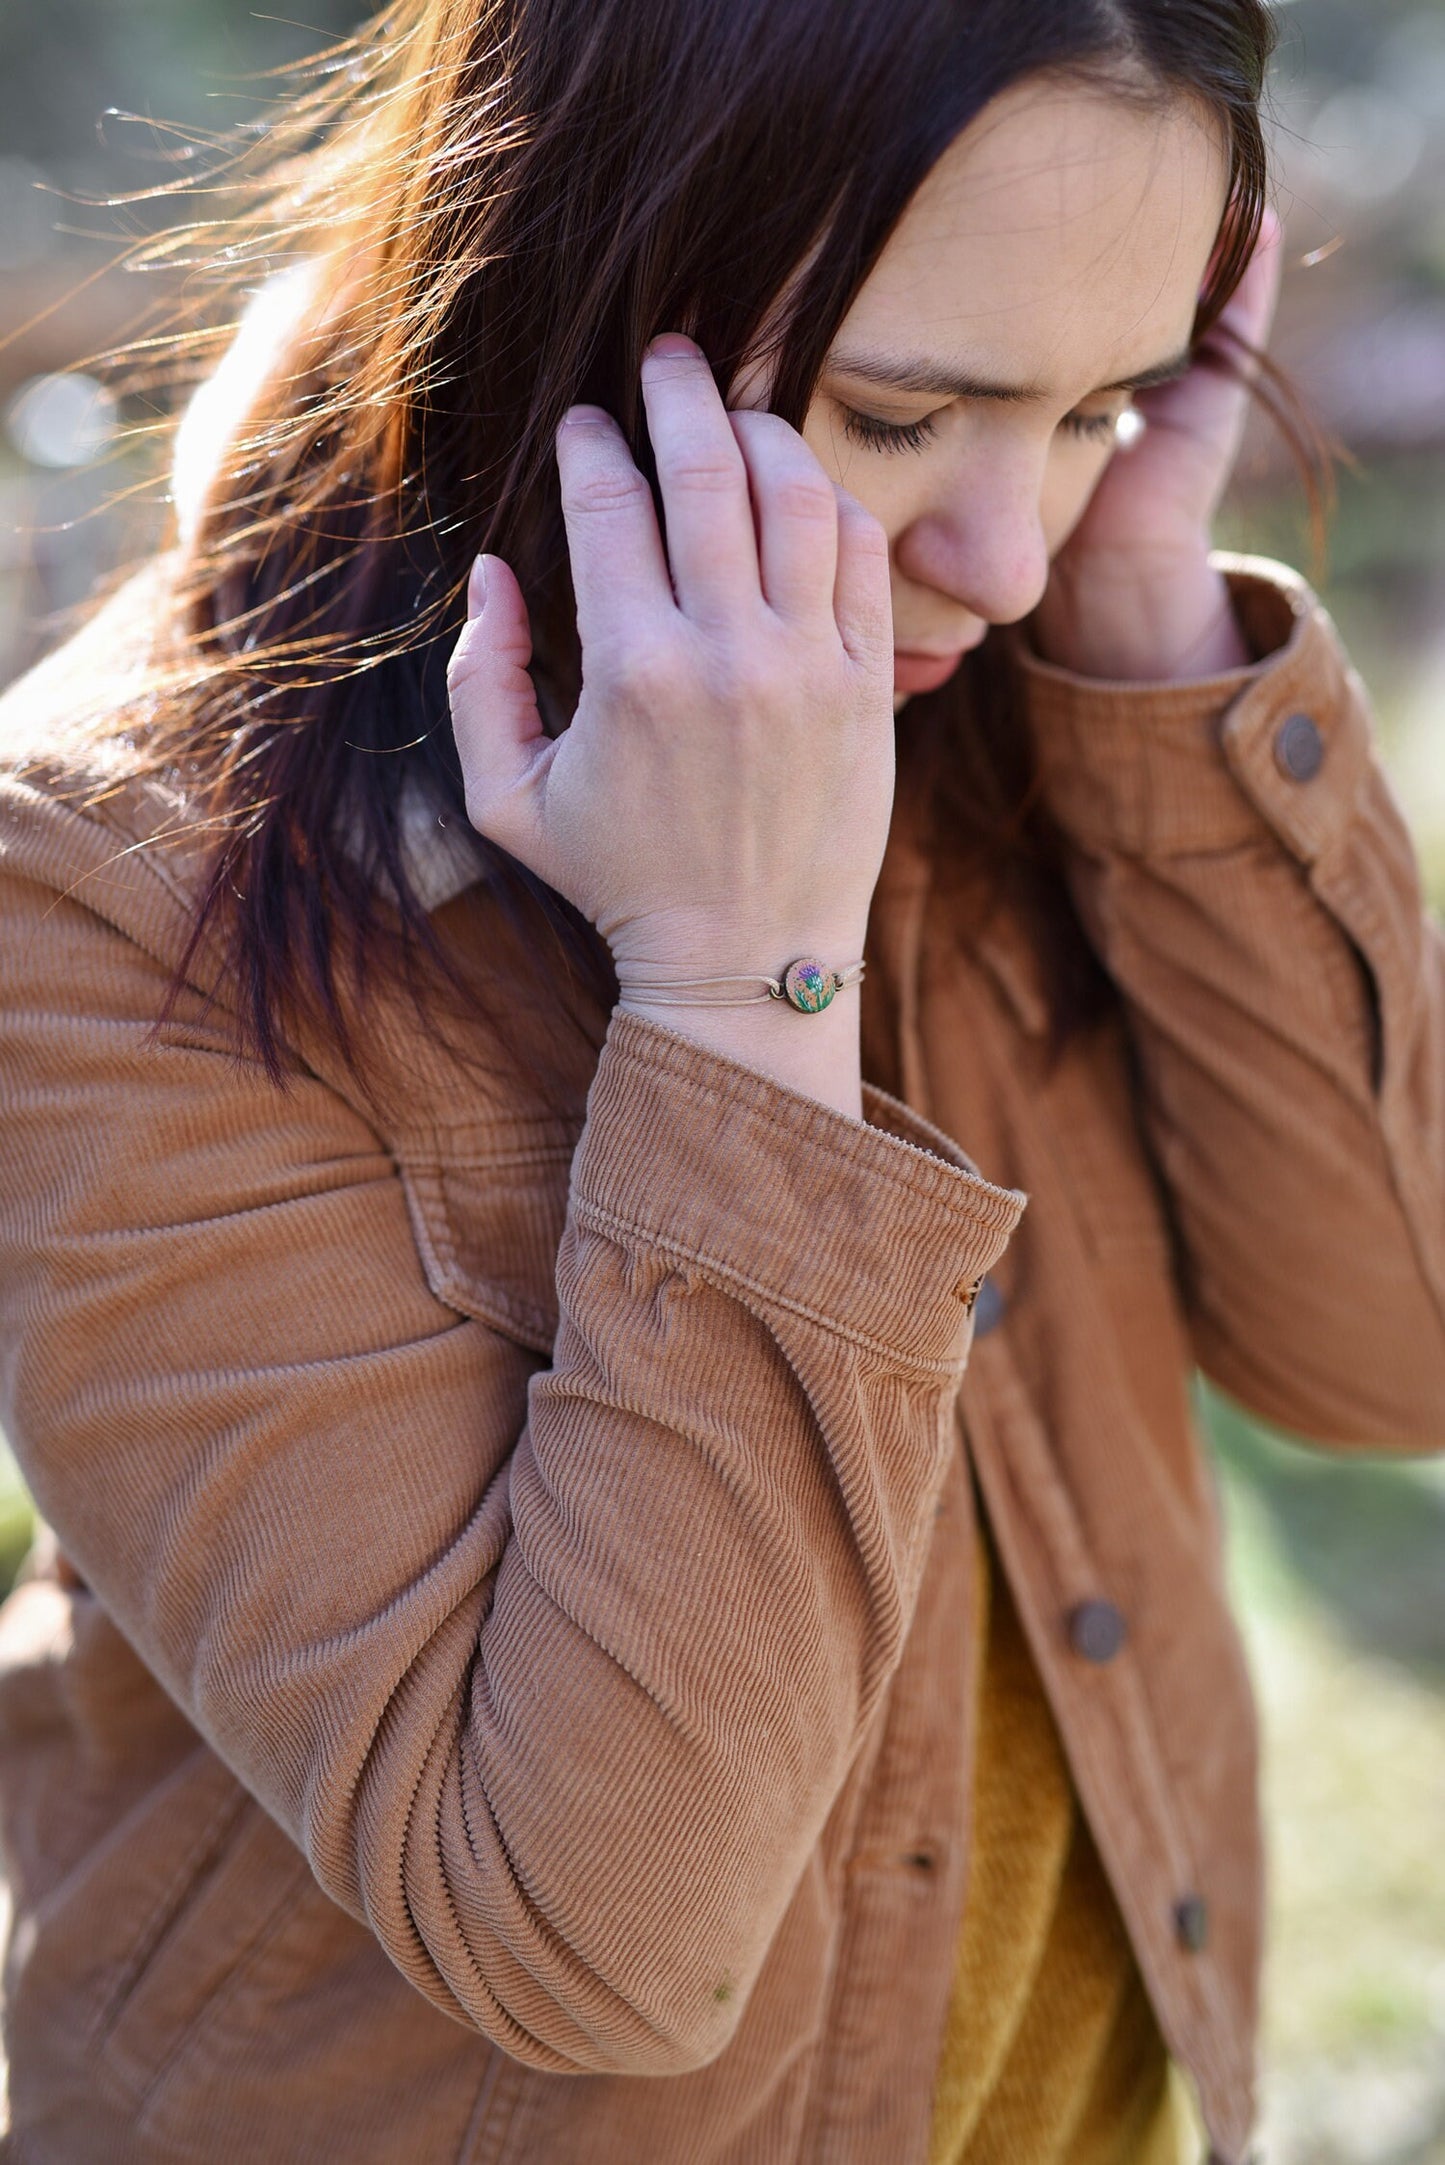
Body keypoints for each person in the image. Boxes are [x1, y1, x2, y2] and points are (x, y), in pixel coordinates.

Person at [0, 0, 1440, 2158]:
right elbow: (603, 1940)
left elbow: (1390, 1355)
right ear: (584, 259)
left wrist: (1153, 621)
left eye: (1103, 404)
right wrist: (736, 1001)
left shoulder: (1041, 650)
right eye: (900, 412)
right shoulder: (111, 887)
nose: (1010, 549)